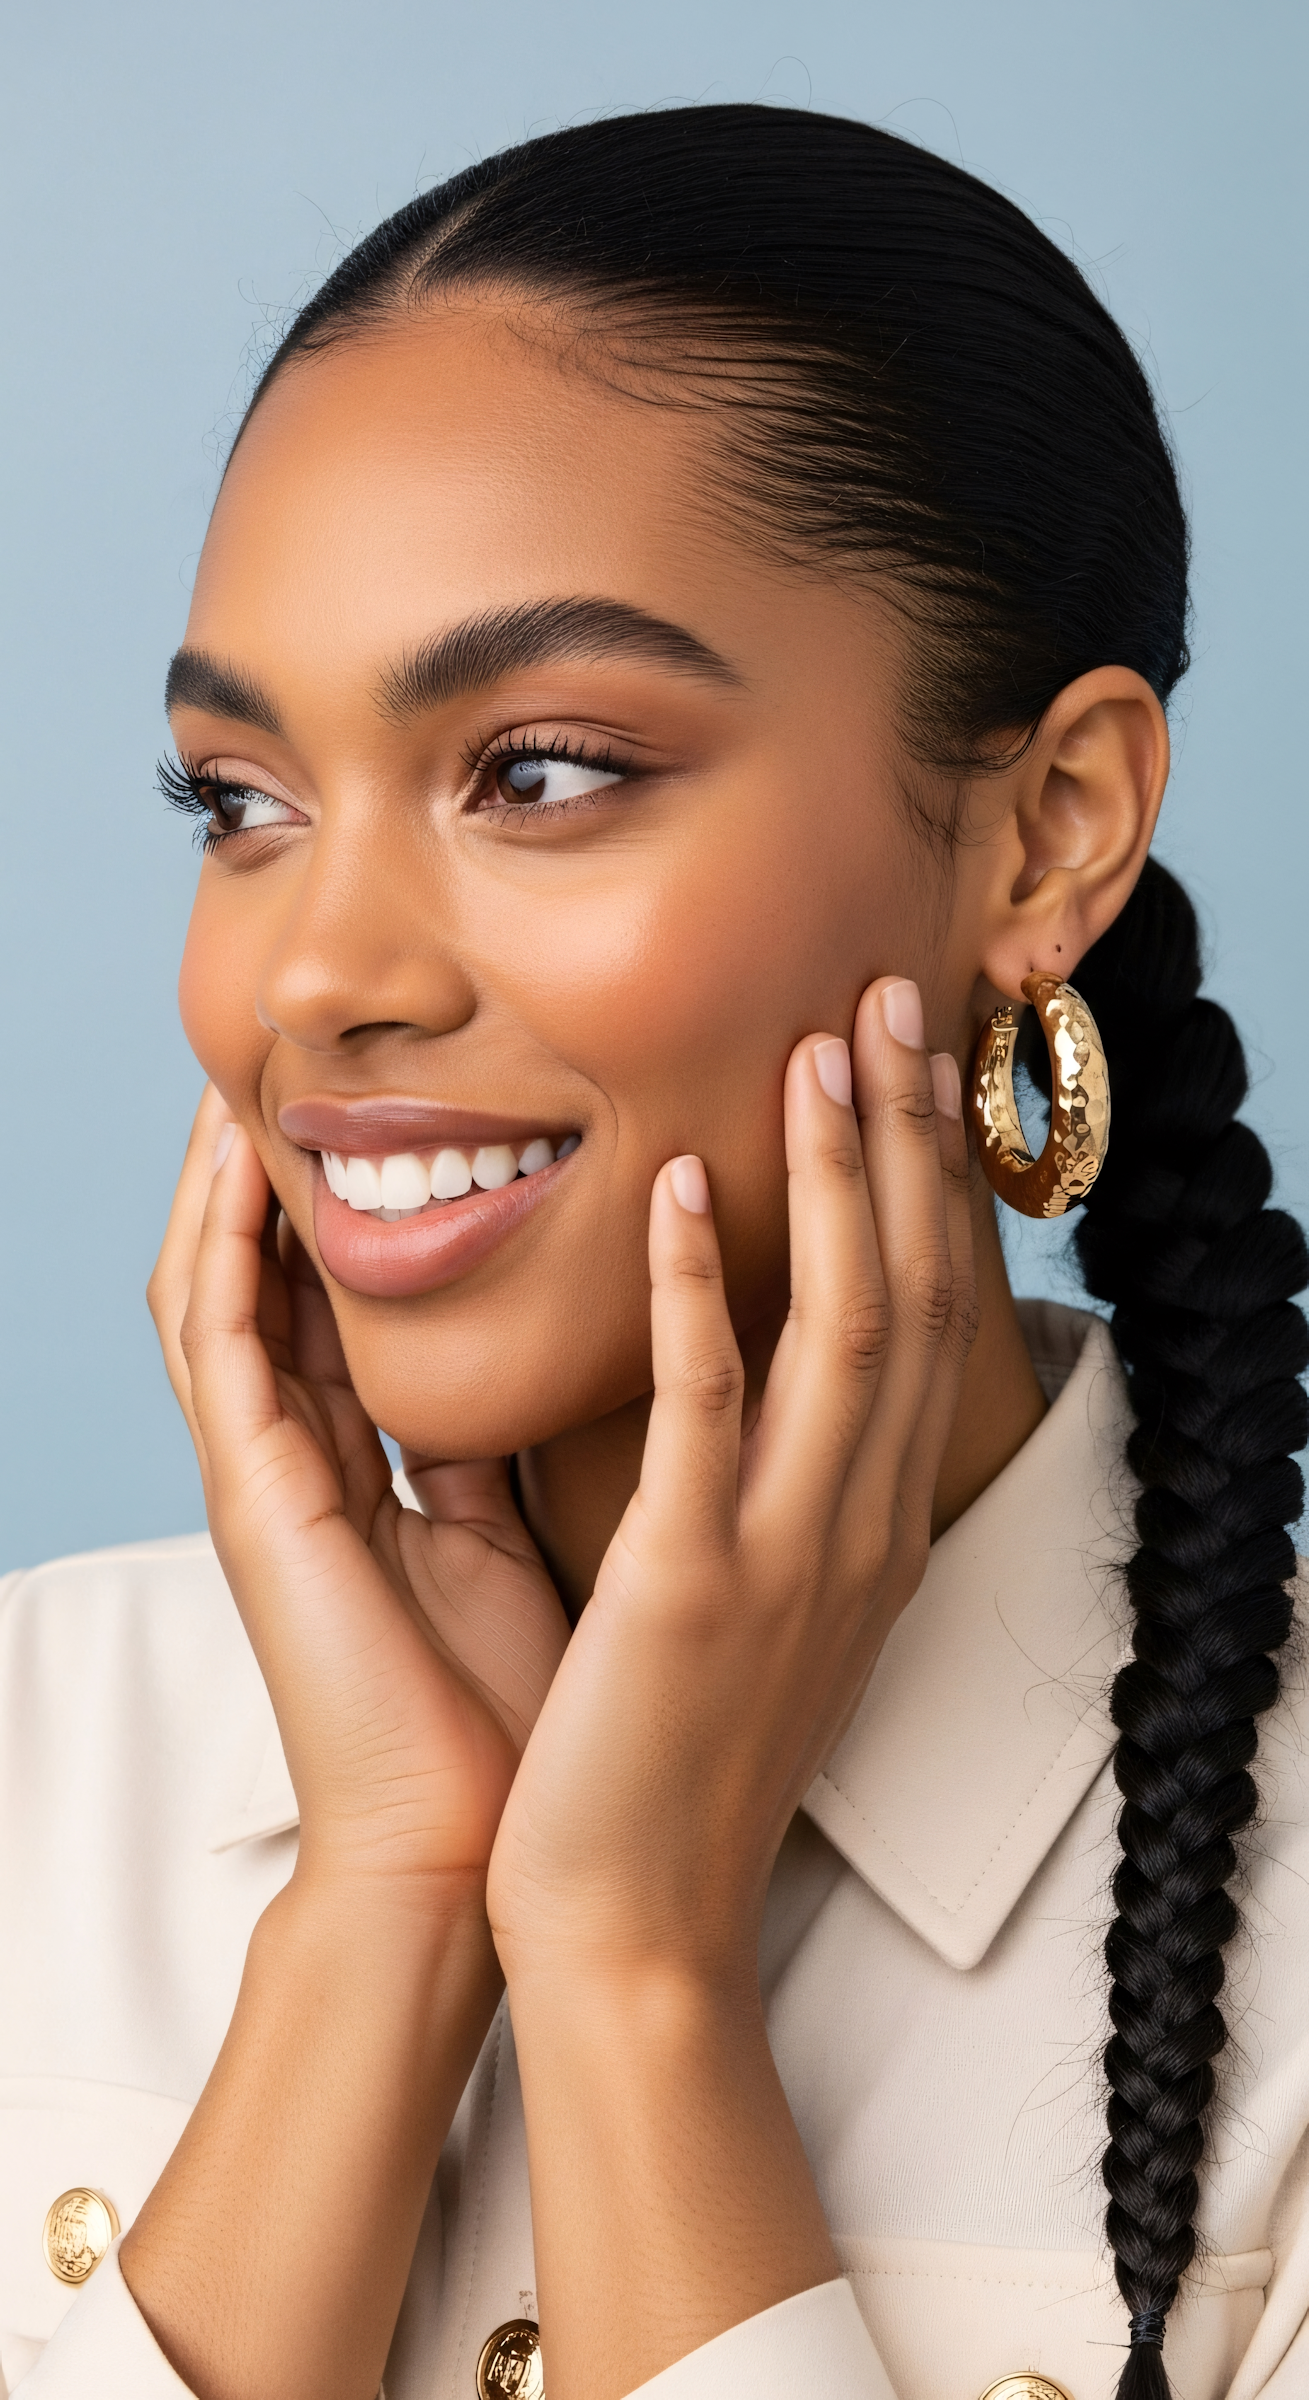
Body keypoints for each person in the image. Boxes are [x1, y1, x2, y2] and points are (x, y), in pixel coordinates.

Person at [2, 101, 1306, 2400]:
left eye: (546, 770)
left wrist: (629, 1977)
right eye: (243, 804)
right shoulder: (34, 1752)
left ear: (1053, 827)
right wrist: (384, 1916)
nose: (316, 981)